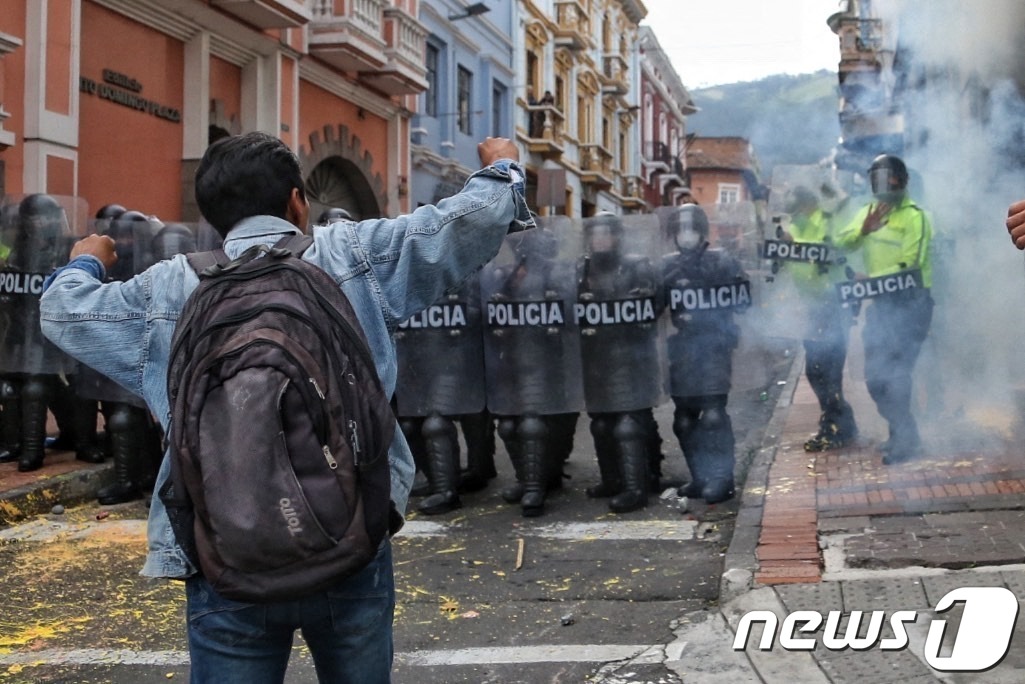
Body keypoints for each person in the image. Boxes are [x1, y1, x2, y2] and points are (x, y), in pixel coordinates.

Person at [39, 131, 531, 682]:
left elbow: (63, 312)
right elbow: (470, 219)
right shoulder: (354, 254)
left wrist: (85, 261)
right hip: (349, 533)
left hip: (221, 546)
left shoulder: (168, 287)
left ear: (214, 217)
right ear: (298, 201)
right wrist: (502, 166)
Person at [834, 153, 933, 465]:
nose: (883, 184)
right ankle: (903, 432)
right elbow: (841, 244)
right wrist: (863, 229)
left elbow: (910, 262)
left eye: (888, 178)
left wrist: (870, 278)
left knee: (898, 374)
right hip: (881, 307)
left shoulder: (915, 216)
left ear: (901, 180)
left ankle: (906, 439)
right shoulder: (868, 212)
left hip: (911, 305)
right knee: (876, 378)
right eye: (877, 178)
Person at [662, 204, 749, 504]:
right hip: (683, 349)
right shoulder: (668, 266)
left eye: (692, 228)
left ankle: (722, 479)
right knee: (684, 419)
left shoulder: (721, 261)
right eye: (681, 229)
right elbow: (651, 309)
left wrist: (723, 283)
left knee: (713, 415)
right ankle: (700, 477)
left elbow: (743, 301)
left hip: (714, 345)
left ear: (702, 231)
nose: (686, 235)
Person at [575, 213, 662, 513]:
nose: (600, 239)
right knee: (601, 424)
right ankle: (611, 480)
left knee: (628, 423)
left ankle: (636, 487)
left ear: (616, 237)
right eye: (595, 234)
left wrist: (644, 298)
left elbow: (654, 308)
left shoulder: (637, 266)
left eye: (606, 234)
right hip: (596, 358)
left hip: (630, 357)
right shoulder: (582, 269)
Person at [779, 186, 858, 452]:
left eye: (797, 209)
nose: (794, 215)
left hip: (835, 306)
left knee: (831, 371)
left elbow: (831, 251)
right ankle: (840, 420)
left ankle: (834, 428)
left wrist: (795, 246)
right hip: (812, 307)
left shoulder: (828, 222)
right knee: (814, 371)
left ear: (809, 203)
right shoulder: (795, 228)